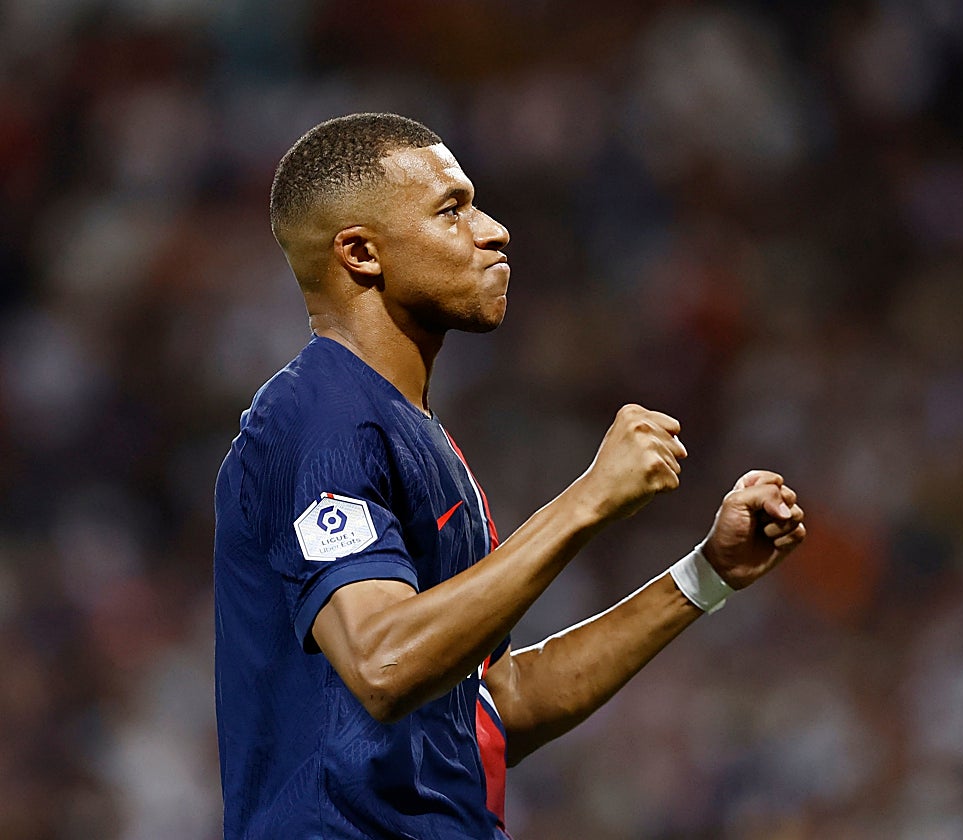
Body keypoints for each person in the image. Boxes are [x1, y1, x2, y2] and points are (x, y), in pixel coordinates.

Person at [213, 112, 805, 839]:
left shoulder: (418, 438)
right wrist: (589, 499)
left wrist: (706, 574)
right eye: (451, 210)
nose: (494, 231)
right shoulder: (317, 416)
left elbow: (499, 704)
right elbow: (384, 663)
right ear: (361, 253)